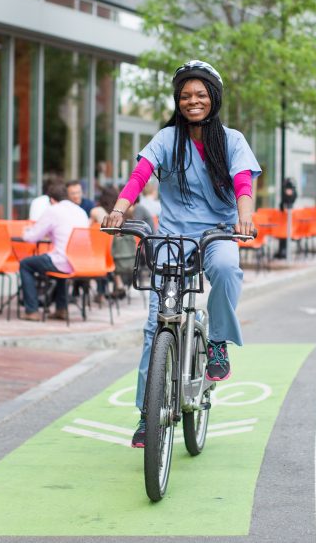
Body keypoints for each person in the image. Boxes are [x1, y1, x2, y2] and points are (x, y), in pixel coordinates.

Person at [102, 59, 260, 448]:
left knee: (225, 267)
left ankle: (218, 341)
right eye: (186, 95)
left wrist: (244, 220)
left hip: (219, 232)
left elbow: (243, 184)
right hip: (172, 236)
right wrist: (120, 210)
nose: (193, 101)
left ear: (214, 98)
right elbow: (140, 175)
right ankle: (147, 415)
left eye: (201, 95)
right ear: (178, 100)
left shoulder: (233, 140)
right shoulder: (167, 139)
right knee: (155, 326)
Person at [17, 181, 89, 321]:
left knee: (26, 264)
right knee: (59, 266)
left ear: (51, 199)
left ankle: (31, 310)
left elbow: (32, 237)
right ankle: (61, 309)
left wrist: (25, 231)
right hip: (80, 262)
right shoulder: (80, 211)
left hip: (63, 261)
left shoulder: (53, 210)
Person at [274, 177, 297, 259]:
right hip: (282, 222)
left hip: (288, 222)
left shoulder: (291, 192)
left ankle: (284, 252)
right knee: (283, 234)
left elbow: (292, 198)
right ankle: (282, 251)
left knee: (285, 233)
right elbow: (282, 203)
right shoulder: (284, 196)